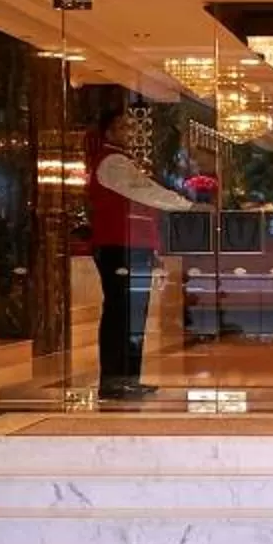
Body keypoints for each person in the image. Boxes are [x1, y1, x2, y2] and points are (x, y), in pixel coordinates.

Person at [76, 85, 196, 399]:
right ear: (107, 132)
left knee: (133, 313)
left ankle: (128, 378)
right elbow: (143, 191)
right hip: (118, 247)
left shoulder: (123, 161)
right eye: (121, 127)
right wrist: (186, 204)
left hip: (133, 248)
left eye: (130, 126)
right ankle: (115, 381)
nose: (128, 132)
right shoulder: (111, 163)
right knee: (121, 313)